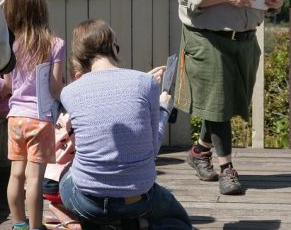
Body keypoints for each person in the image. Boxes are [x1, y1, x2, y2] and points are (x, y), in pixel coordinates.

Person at [173, 0, 284, 196]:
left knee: (224, 103)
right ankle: (227, 168)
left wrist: (276, 3)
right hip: (207, 39)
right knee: (219, 104)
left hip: (245, 40)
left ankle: (199, 151)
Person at [59, 19, 192, 229]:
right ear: (113, 46)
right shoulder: (145, 83)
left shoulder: (69, 92)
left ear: (79, 55)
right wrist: (163, 108)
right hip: (137, 199)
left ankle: (98, 222)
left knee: (66, 176)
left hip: (87, 202)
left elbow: (103, 101)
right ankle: (138, 224)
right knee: (180, 221)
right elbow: (152, 147)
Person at [0, 0, 65, 230]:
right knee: (35, 177)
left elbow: (7, 85)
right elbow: (55, 86)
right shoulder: (55, 44)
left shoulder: (10, 45)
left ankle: (18, 223)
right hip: (40, 119)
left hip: (16, 118)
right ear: (42, 9)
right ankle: (35, 227)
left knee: (16, 174)